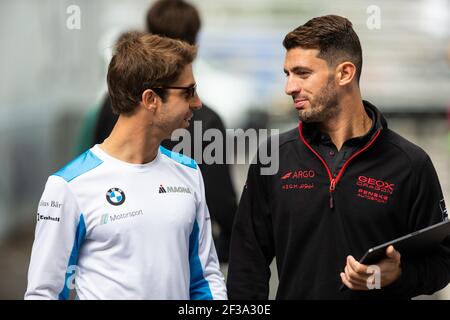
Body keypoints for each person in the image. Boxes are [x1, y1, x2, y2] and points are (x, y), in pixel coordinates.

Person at [227, 15, 450, 299]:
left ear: (345, 73)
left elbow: (442, 264)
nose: (289, 87)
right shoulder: (273, 157)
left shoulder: (410, 163)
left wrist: (397, 275)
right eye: (287, 74)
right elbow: (247, 264)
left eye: (302, 73)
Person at [25, 32, 227, 300]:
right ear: (151, 99)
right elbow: (44, 293)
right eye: (188, 92)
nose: (198, 103)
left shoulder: (188, 172)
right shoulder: (69, 187)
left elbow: (205, 277)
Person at [92, 0, 237, 264]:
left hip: (117, 244)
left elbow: (93, 170)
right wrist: (228, 242)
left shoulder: (113, 102)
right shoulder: (206, 119)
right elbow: (220, 199)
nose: (194, 104)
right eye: (187, 94)